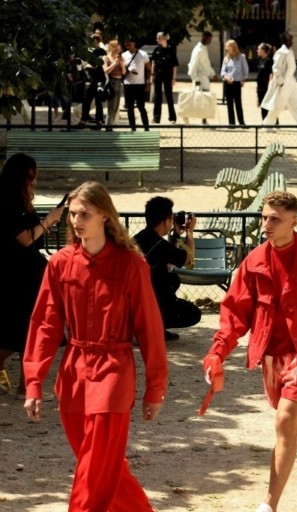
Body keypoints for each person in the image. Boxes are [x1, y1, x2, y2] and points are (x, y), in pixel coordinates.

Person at [203, 191, 297, 512]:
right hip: (272, 357)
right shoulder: (254, 261)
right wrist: (217, 352)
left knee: (285, 420)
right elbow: (235, 312)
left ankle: (269, 504)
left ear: (294, 221)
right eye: (264, 218)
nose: (266, 225)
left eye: (275, 219)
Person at [23, 181, 167, 512]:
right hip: (74, 376)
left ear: (105, 215)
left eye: (84, 214)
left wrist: (155, 387)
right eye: (72, 214)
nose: (76, 220)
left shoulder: (131, 265)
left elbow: (150, 329)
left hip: (114, 371)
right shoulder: (60, 263)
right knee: (103, 467)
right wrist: (33, 382)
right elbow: (45, 324)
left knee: (93, 473)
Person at [0, 154, 65, 398]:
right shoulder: (9, 202)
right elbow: (25, 239)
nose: (34, 181)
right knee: (27, 330)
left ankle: (25, 386)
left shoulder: (17, 200)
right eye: (30, 176)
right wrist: (49, 221)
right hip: (19, 275)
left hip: (25, 274)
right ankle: (25, 387)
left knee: (23, 331)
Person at [133, 196, 201, 341]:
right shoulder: (160, 245)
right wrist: (190, 232)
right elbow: (188, 260)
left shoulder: (138, 238)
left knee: (172, 279)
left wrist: (176, 235)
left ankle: (153, 326)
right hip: (151, 302)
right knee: (193, 313)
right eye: (171, 219)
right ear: (165, 221)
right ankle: (151, 326)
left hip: (136, 302)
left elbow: (170, 261)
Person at [262, 32, 297, 128]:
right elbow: (276, 68)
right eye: (289, 39)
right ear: (284, 41)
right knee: (277, 106)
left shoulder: (290, 51)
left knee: (295, 104)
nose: (291, 41)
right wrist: (281, 82)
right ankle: (267, 125)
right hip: (283, 84)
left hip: (290, 83)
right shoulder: (281, 52)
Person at [187, 31, 218, 124]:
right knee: (198, 100)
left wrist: (212, 74)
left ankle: (204, 120)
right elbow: (193, 65)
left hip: (205, 78)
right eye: (209, 39)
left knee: (205, 100)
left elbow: (206, 64)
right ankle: (186, 115)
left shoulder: (204, 48)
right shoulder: (198, 50)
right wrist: (195, 79)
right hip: (199, 79)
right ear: (204, 37)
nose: (210, 41)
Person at [122, 36, 151, 131]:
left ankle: (146, 128)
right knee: (130, 107)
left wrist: (147, 82)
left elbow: (148, 69)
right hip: (128, 84)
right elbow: (122, 70)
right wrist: (127, 70)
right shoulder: (123, 55)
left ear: (134, 43)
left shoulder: (143, 54)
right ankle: (132, 128)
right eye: (126, 43)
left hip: (140, 84)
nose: (127, 45)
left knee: (141, 107)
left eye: (129, 43)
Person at [150, 32, 178, 124]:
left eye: (158, 38)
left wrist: (174, 78)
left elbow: (174, 65)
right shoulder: (156, 49)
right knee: (157, 96)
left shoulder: (171, 49)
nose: (157, 40)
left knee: (169, 96)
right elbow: (153, 63)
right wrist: (152, 75)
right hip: (158, 74)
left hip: (168, 75)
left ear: (164, 39)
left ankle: (172, 118)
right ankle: (156, 118)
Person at [220, 39, 249, 126]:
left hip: (236, 83)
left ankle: (241, 122)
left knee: (238, 103)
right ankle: (231, 123)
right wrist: (226, 78)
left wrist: (243, 80)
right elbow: (223, 72)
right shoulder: (226, 58)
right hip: (227, 83)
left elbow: (245, 70)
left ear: (233, 47)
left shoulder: (241, 57)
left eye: (228, 46)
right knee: (229, 104)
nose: (226, 48)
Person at [102, 39, 126, 129]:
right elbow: (106, 71)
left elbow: (124, 72)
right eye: (116, 49)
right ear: (111, 48)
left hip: (119, 83)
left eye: (118, 49)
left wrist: (122, 64)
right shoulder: (106, 58)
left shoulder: (119, 58)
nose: (117, 51)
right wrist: (114, 63)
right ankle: (108, 128)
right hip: (111, 83)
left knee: (116, 107)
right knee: (111, 107)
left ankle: (110, 126)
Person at [255, 42, 274, 122]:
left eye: (259, 49)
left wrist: (269, 86)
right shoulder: (260, 60)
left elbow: (272, 74)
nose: (257, 51)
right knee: (262, 106)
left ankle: (274, 122)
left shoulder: (269, 61)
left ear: (263, 50)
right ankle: (264, 122)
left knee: (268, 106)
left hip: (266, 87)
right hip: (260, 87)